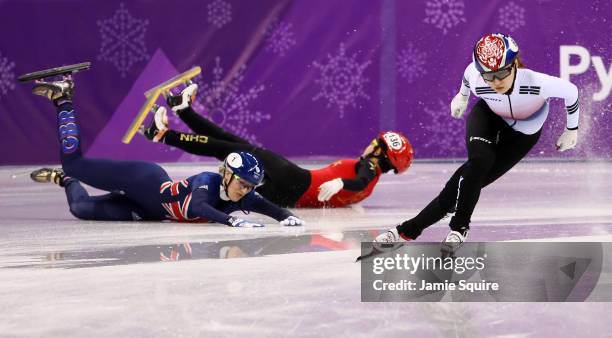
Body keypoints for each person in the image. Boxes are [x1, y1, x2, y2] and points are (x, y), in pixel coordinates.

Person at [374, 33, 580, 246]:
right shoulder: (476, 75)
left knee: (462, 186)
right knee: (479, 162)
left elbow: (571, 92)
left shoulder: (538, 82)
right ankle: (459, 228)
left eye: (501, 73)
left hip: (523, 134)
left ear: (515, 65)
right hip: (489, 116)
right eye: (488, 76)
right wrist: (462, 96)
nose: (496, 82)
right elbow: (468, 74)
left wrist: (571, 129)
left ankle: (406, 230)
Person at [28, 77, 304, 228]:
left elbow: (270, 208)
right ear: (228, 175)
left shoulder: (241, 193)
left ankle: (63, 180)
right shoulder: (207, 182)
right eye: (243, 183)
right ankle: (63, 97)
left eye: (250, 186)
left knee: (79, 208)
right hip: (142, 180)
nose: (246, 190)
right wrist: (230, 220)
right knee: (75, 163)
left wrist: (287, 217)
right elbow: (198, 207)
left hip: (143, 210)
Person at [141, 83, 413, 208]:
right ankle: (184, 111)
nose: (369, 145)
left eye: (375, 143)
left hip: (294, 179)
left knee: (227, 148)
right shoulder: (370, 186)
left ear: (381, 152)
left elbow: (360, 178)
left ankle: (162, 134)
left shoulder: (368, 168)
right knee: (234, 145)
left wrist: (343, 183)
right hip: (288, 197)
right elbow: (360, 186)